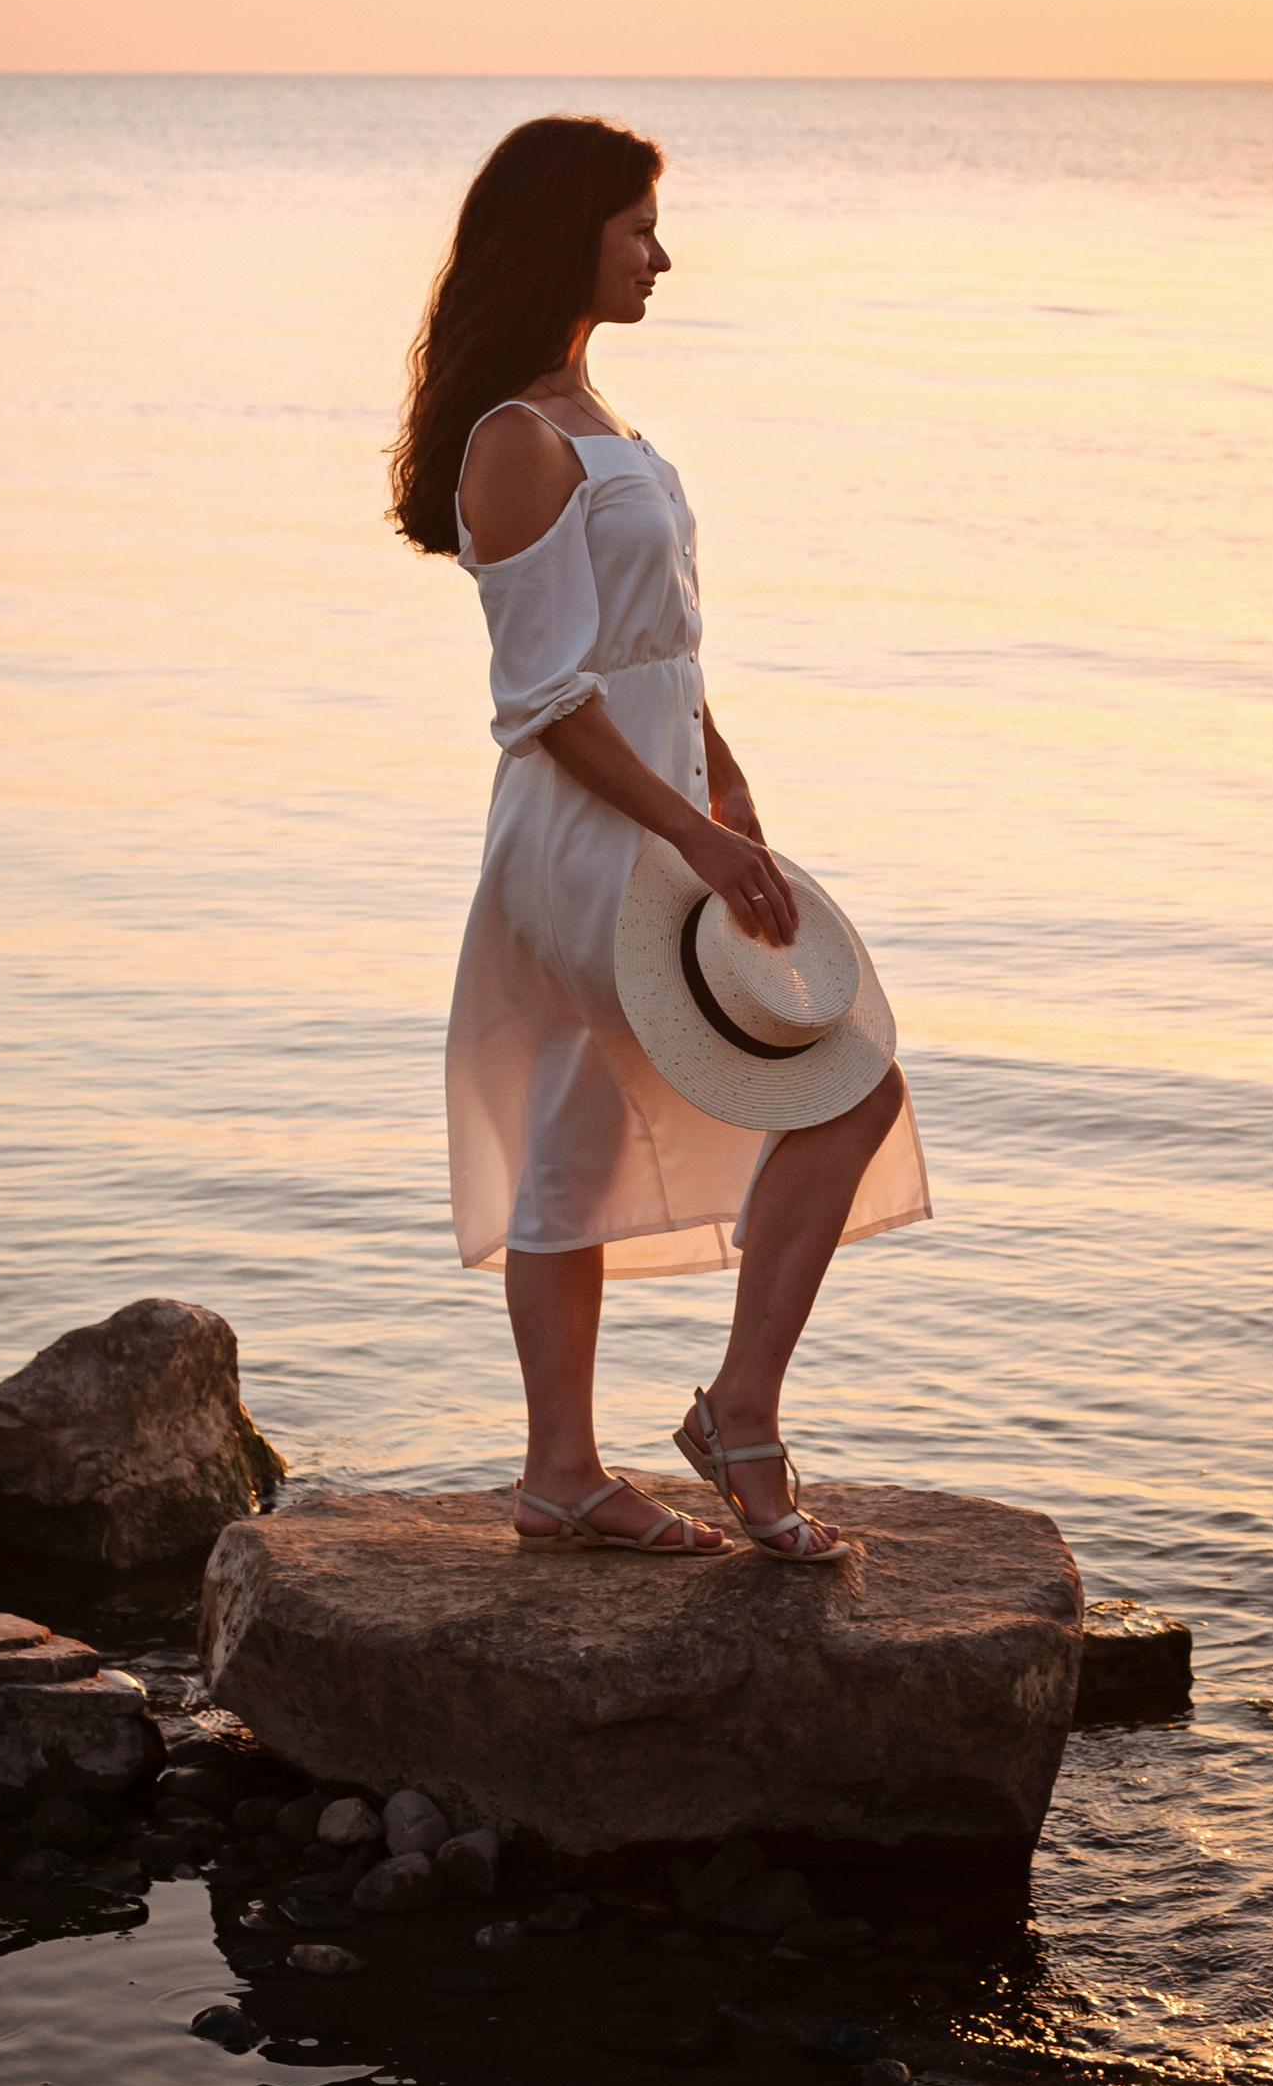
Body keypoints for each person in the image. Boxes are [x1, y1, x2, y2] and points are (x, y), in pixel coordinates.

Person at [390, 113, 930, 1563]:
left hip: (665, 817)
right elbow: (550, 701)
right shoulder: (514, 436)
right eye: (638, 226)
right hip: (588, 839)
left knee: (593, 1138)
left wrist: (732, 788)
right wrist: (691, 829)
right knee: (842, 1077)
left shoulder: (594, 411)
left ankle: (568, 1473)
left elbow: (661, 653)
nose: (661, 254)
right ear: (569, 233)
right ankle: (731, 1418)